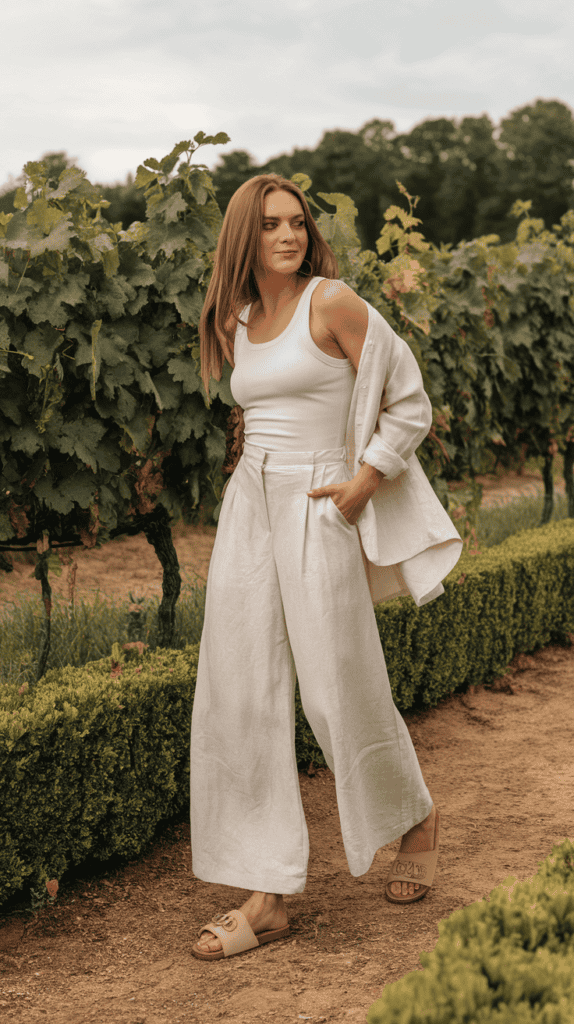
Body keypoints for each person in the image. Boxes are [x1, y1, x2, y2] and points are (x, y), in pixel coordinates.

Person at [190, 174, 462, 961]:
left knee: (334, 689)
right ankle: (266, 892)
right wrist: (252, 475)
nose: (289, 235)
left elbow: (408, 400)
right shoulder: (238, 319)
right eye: (270, 224)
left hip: (320, 502)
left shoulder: (332, 303)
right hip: (251, 505)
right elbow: (260, 413)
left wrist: (365, 481)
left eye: (297, 223)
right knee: (240, 688)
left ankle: (414, 817)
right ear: (244, 237)